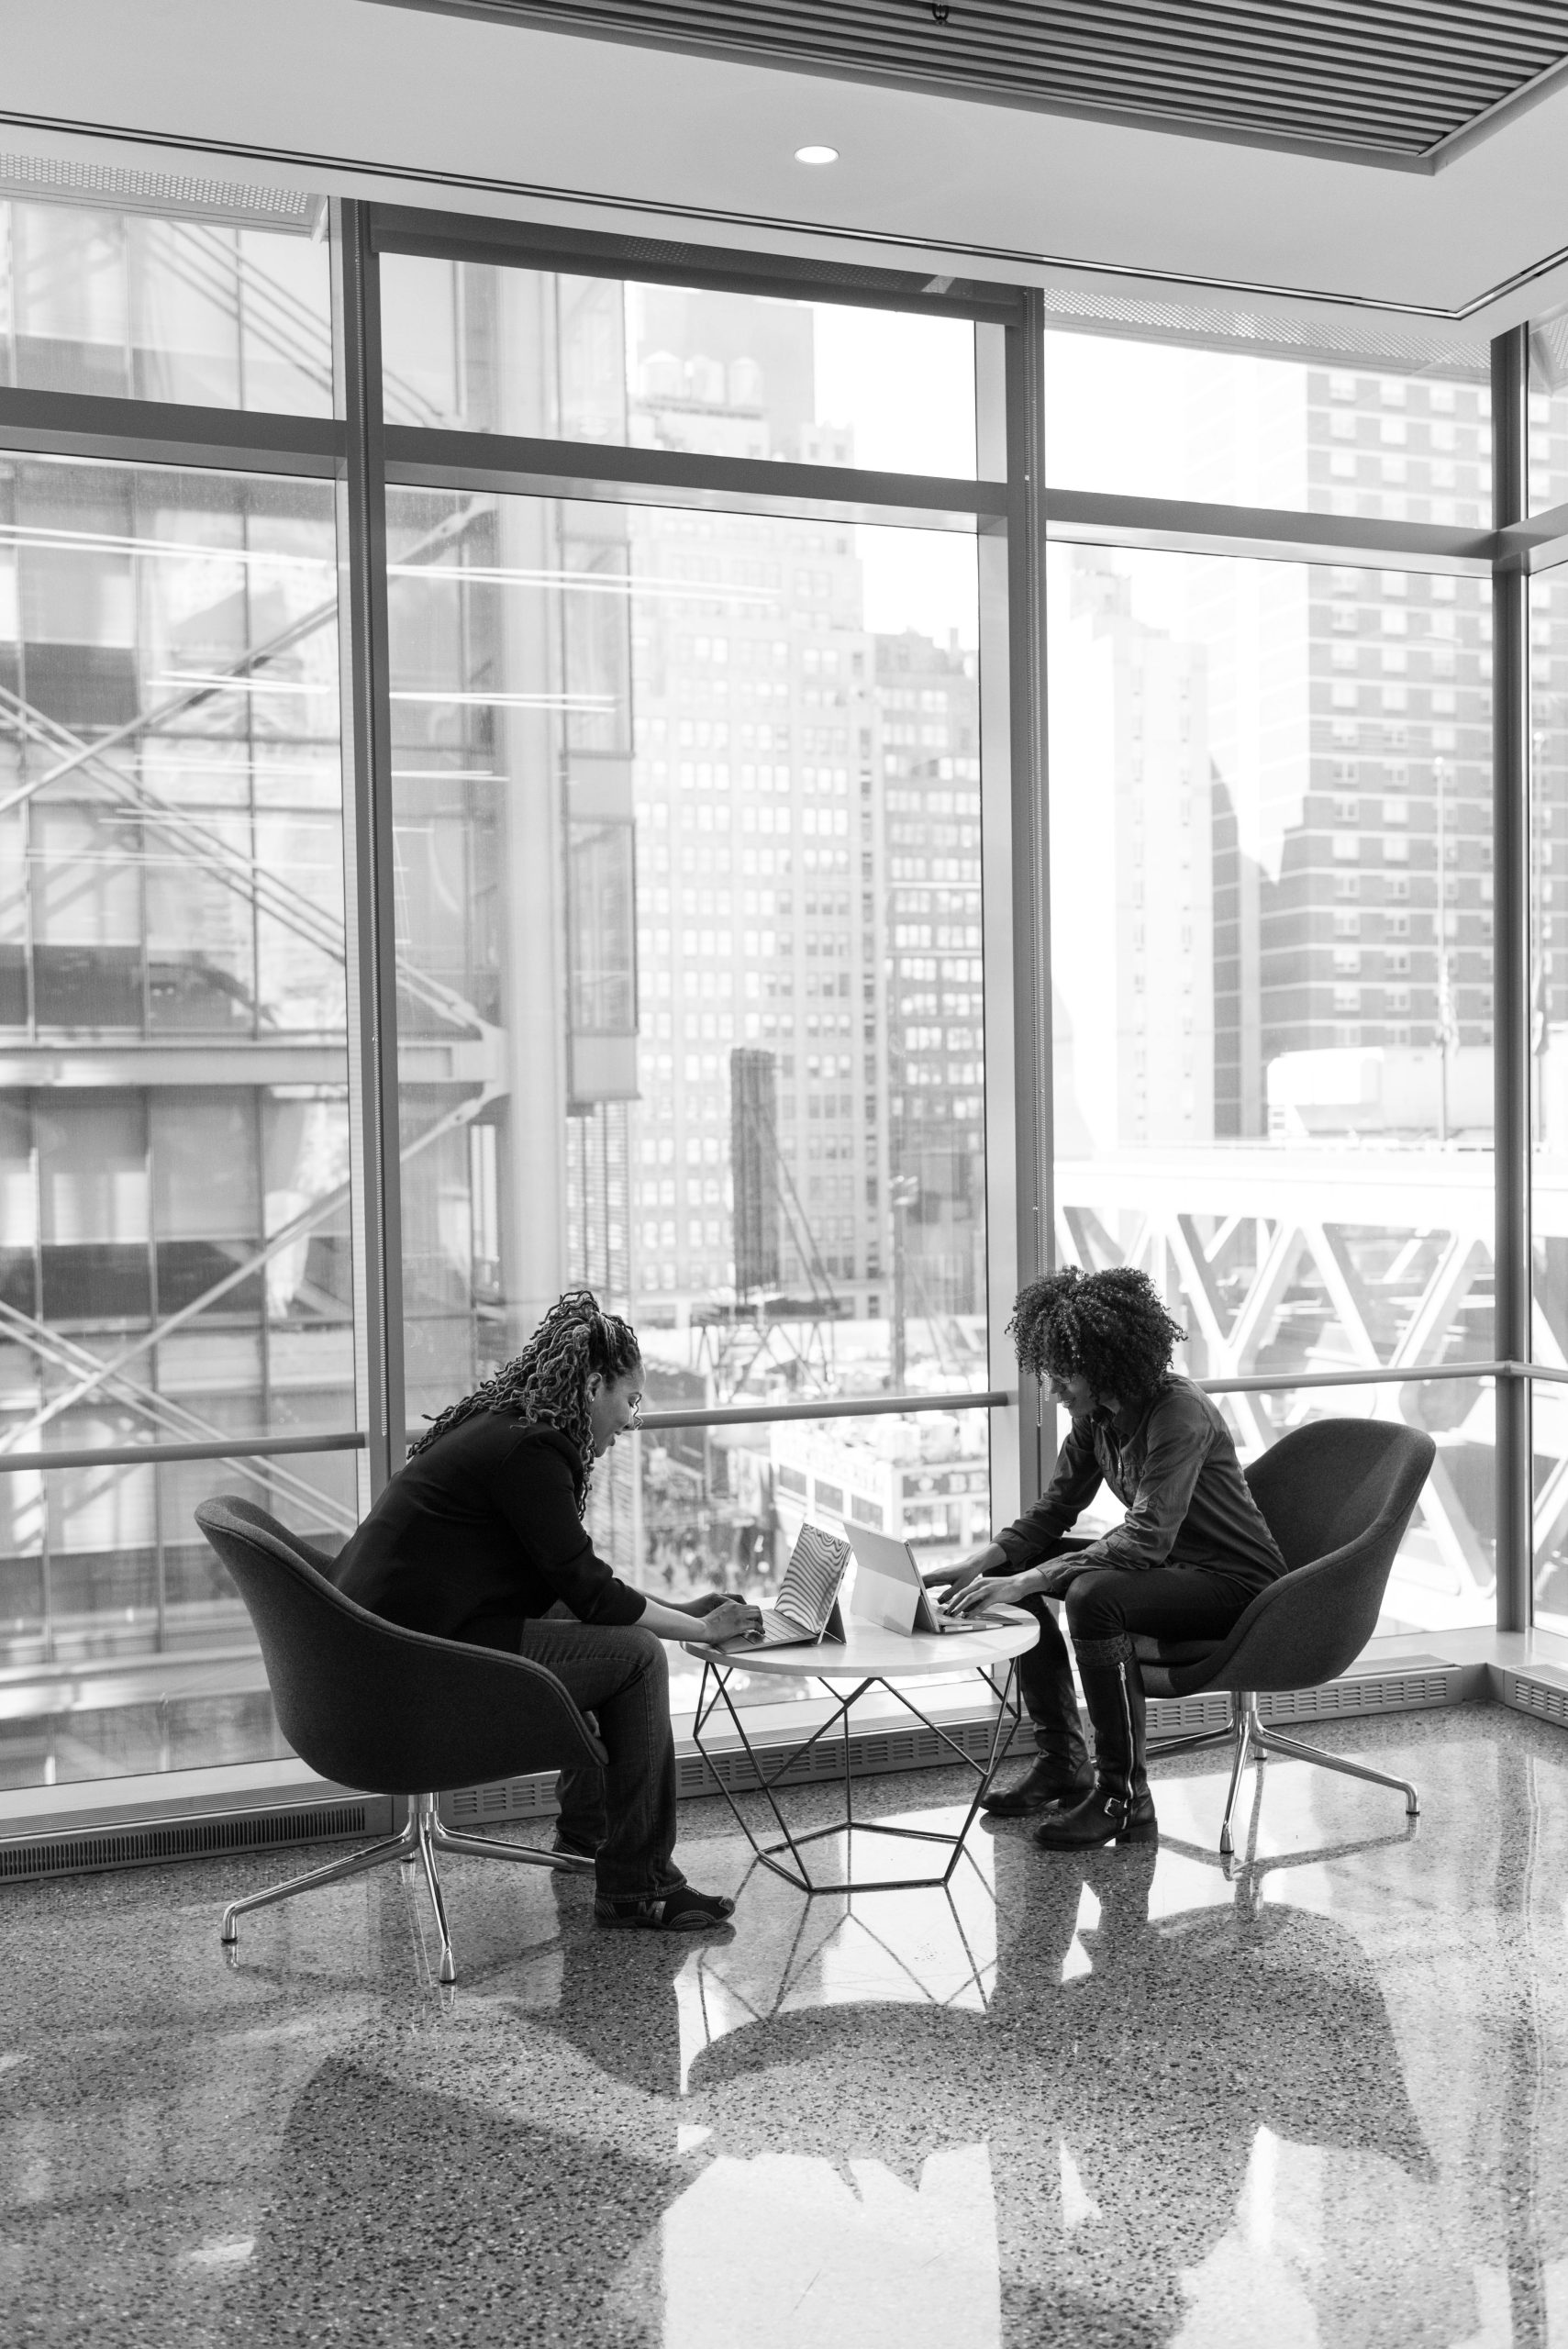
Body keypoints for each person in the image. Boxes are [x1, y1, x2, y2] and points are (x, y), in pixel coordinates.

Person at [334, 1289, 762, 1931]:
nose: (632, 1420)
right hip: (408, 1668)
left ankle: (588, 1843)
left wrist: (676, 1608)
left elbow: (569, 1587)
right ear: (594, 1386)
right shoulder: (533, 1451)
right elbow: (589, 1591)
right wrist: (697, 1628)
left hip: (375, 1650)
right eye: (630, 1399)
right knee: (638, 1658)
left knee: (608, 1641)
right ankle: (637, 1883)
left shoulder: (506, 1430)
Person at [933, 1265, 1285, 1849]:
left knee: (1092, 1596)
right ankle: (1062, 1763)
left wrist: (1032, 1581)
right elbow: (1052, 1513)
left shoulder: (1178, 1412)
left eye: (1064, 1374)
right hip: (1170, 1571)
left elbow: (1147, 1536)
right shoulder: (1094, 1419)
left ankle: (1124, 1797)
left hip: (1234, 1585)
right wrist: (987, 1560)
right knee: (1016, 1566)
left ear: (1103, 1365)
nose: (1054, 1390)